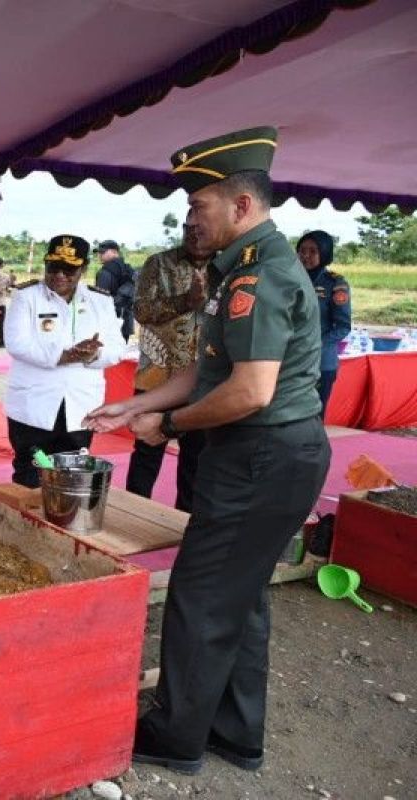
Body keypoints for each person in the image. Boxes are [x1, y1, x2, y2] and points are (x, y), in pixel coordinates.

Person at [84, 126, 331, 775]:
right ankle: (234, 731)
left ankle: (174, 735)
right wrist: (137, 405)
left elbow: (250, 391)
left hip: (260, 454)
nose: (191, 218)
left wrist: (171, 429)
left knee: (200, 593)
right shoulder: (242, 271)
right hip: (268, 453)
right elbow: (211, 370)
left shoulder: (262, 277)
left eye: (200, 206)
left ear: (241, 206)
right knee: (241, 596)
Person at [3, 235, 125, 487]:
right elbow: (17, 343)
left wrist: (94, 355)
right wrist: (63, 355)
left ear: (84, 269)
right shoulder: (27, 296)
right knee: (30, 474)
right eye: (53, 267)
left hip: (80, 407)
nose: (59, 275)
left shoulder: (100, 300)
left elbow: (116, 348)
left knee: (73, 479)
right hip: (33, 406)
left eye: (69, 269)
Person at [124, 223, 212, 510]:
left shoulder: (228, 267)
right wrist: (186, 301)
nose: (197, 234)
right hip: (157, 376)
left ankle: (184, 523)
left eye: (204, 228)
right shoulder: (158, 263)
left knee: (197, 458)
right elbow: (141, 311)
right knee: (147, 451)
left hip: (205, 379)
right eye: (192, 228)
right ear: (184, 229)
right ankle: (135, 514)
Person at [297, 230, 351, 415]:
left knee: (314, 416)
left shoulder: (335, 283)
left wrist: (316, 344)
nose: (305, 256)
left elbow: (343, 326)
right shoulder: (289, 279)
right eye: (302, 250)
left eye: (313, 251)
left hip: (320, 362)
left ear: (325, 253)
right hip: (290, 359)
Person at [95, 240, 137, 341]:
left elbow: (100, 300)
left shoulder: (105, 272)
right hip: (126, 321)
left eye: (103, 252)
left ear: (115, 252)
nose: (100, 255)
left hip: (109, 322)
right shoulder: (129, 269)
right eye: (99, 252)